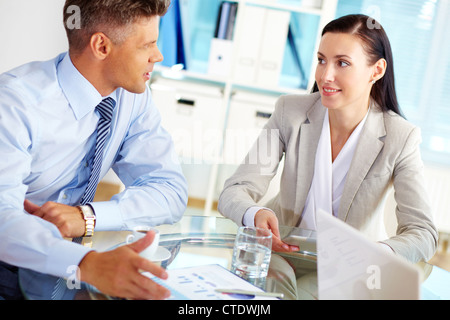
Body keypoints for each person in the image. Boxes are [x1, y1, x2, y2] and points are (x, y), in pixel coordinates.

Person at [0, 0, 188, 300]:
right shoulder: (14, 102)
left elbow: (170, 190)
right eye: (147, 45)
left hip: (69, 268)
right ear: (101, 46)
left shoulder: (133, 97)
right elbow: (2, 218)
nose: (158, 56)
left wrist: (86, 216)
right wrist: (85, 264)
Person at [218, 14, 438, 264]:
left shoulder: (401, 137)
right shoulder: (289, 111)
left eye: (342, 63)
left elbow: (423, 233)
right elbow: (234, 191)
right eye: (321, 60)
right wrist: (255, 212)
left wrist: (376, 254)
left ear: (376, 70)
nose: (325, 76)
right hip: (278, 257)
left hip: (348, 269)